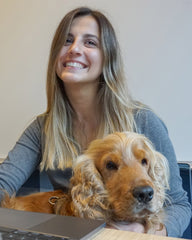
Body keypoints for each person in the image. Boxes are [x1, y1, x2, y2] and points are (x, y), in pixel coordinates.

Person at [0, 7, 191, 238]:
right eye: (67, 40)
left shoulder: (142, 120)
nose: (74, 49)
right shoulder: (43, 127)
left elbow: (180, 205)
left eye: (90, 42)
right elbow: (4, 183)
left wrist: (138, 231)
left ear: (107, 57)